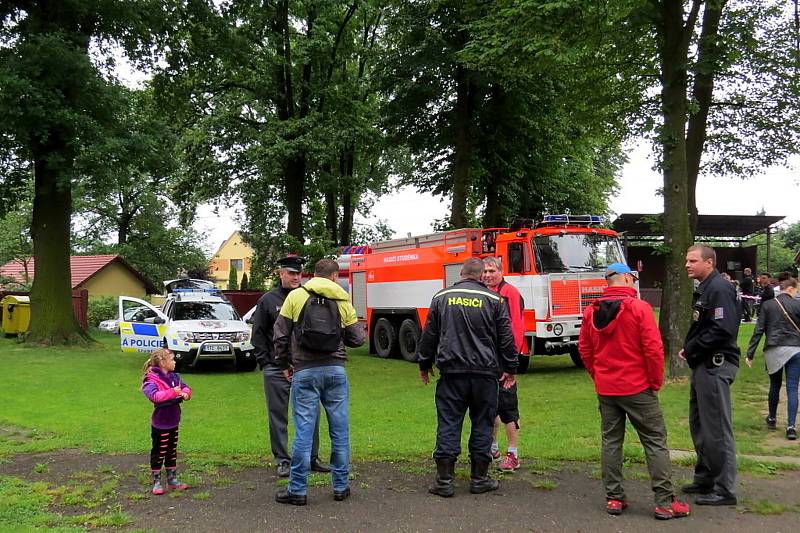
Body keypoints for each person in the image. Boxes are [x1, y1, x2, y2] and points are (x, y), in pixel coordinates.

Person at [578, 263, 690, 520]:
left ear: (609, 282)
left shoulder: (590, 311)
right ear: (627, 279)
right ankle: (664, 502)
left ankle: (614, 498)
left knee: (611, 442)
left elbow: (584, 349)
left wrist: (598, 375)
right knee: (654, 442)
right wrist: (655, 381)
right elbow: (653, 349)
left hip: (607, 387)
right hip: (638, 386)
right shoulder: (639, 308)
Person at [418, 257, 518, 498]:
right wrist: (511, 367)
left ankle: (444, 481)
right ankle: (479, 478)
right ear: (481, 275)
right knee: (483, 423)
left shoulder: (441, 297)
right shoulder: (495, 300)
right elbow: (506, 336)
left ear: (461, 273)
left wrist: (424, 362)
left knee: (449, 423)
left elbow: (429, 333)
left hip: (452, 373)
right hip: (484, 374)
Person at [273, 258, 365, 506]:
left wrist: (284, 365)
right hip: (335, 371)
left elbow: (280, 335)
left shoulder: (295, 296)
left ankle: (298, 490)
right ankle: (341, 486)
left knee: (303, 433)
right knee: (339, 431)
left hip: (304, 371)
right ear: (335, 277)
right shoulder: (342, 299)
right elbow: (358, 340)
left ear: (313, 275)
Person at [250, 255, 330, 478]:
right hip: (276, 368)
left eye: (299, 273)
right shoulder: (268, 300)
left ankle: (311, 457)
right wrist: (266, 363)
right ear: (281, 274)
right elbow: (257, 335)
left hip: (305, 367)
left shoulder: (309, 297)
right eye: (291, 273)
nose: (296, 277)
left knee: (311, 413)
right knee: (278, 415)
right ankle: (283, 460)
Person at [679, 245, 740, 506]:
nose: (687, 265)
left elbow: (722, 330)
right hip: (703, 365)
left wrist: (691, 348)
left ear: (709, 262)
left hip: (715, 365)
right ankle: (705, 477)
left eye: (693, 260)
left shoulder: (719, 289)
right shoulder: (706, 288)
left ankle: (725, 488)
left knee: (716, 427)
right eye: (686, 260)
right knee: (700, 424)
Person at [482, 256, 527, 472]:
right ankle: (492, 448)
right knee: (489, 407)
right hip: (486, 361)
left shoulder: (510, 293)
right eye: (485, 272)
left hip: (504, 361)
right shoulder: (482, 293)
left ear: (501, 271)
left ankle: (513, 454)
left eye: (492, 271)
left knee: (508, 408)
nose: (488, 275)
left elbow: (516, 329)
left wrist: (512, 365)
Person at [745, 277, 800, 440]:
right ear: (790, 289)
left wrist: (750, 353)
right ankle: (791, 426)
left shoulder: (768, 305)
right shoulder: (798, 305)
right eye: (796, 289)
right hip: (795, 348)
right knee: (792, 387)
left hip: (773, 348)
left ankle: (772, 418)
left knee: (774, 385)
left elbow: (759, 330)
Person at [141, 348, 192, 495]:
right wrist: (173, 393)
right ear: (163, 363)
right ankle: (156, 481)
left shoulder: (174, 377)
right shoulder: (151, 380)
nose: (175, 362)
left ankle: (172, 480)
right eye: (172, 360)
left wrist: (186, 394)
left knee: (171, 451)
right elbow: (155, 396)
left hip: (174, 421)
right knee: (159, 452)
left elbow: (186, 388)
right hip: (160, 423)